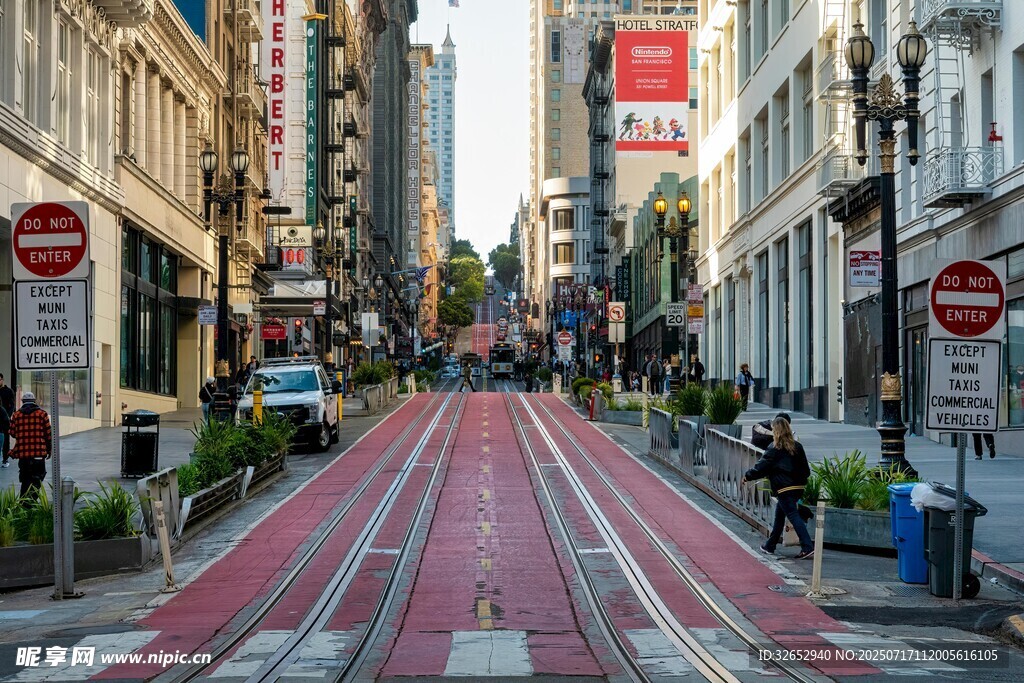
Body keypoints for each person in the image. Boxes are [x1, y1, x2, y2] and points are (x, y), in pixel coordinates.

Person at [742, 416, 814, 559]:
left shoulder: (774, 448)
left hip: (784, 488)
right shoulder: (797, 446)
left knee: (792, 515)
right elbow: (806, 470)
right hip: (798, 487)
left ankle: (807, 546)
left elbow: (761, 467)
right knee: (780, 515)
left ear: (776, 431)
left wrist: (747, 476)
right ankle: (770, 545)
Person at [9, 392, 52, 500]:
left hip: (23, 455)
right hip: (38, 454)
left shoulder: (16, 415)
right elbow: (48, 434)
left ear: (22, 402)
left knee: (25, 480)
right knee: (37, 479)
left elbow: (13, 433)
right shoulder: (42, 414)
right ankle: (29, 504)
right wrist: (49, 449)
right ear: (34, 401)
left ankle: (24, 504)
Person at [0, 374, 14, 468]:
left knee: (5, 439)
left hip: (4, 419)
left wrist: (8, 416)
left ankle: (5, 459)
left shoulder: (8, 391)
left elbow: (12, 405)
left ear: (2, 380)